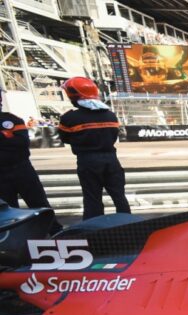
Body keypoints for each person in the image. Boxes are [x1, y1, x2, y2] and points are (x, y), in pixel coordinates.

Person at [58, 77, 131, 221]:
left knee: (92, 198)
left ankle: (93, 231)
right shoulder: (110, 115)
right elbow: (114, 136)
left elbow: (65, 138)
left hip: (88, 161)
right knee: (119, 196)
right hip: (111, 159)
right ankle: (129, 224)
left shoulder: (70, 118)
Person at [0, 84, 63, 233]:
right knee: (8, 210)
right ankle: (15, 239)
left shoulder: (12, 120)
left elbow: (21, 143)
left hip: (22, 169)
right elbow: (14, 143)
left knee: (39, 203)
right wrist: (6, 137)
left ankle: (56, 233)